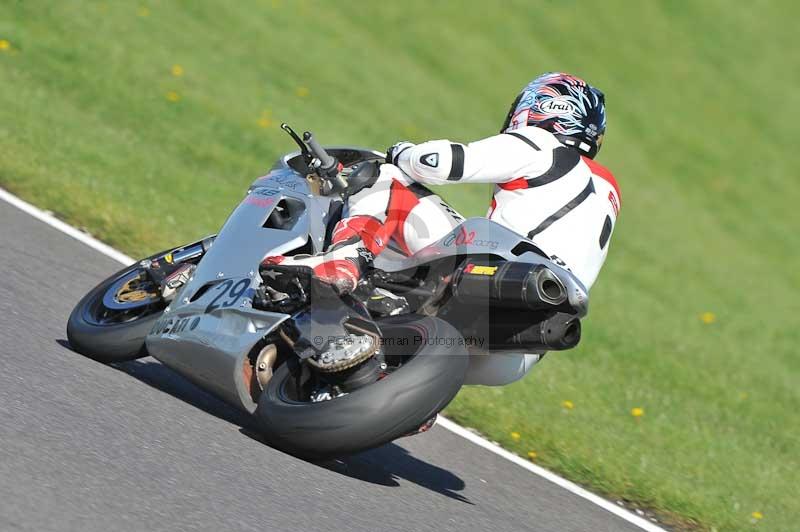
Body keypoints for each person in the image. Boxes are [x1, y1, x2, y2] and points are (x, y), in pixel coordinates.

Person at [263, 72, 620, 296]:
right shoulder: (608, 190)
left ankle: (341, 261)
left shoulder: (541, 144)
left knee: (386, 178)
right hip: (532, 336)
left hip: (494, 278)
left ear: (542, 107)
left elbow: (440, 164)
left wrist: (402, 153)